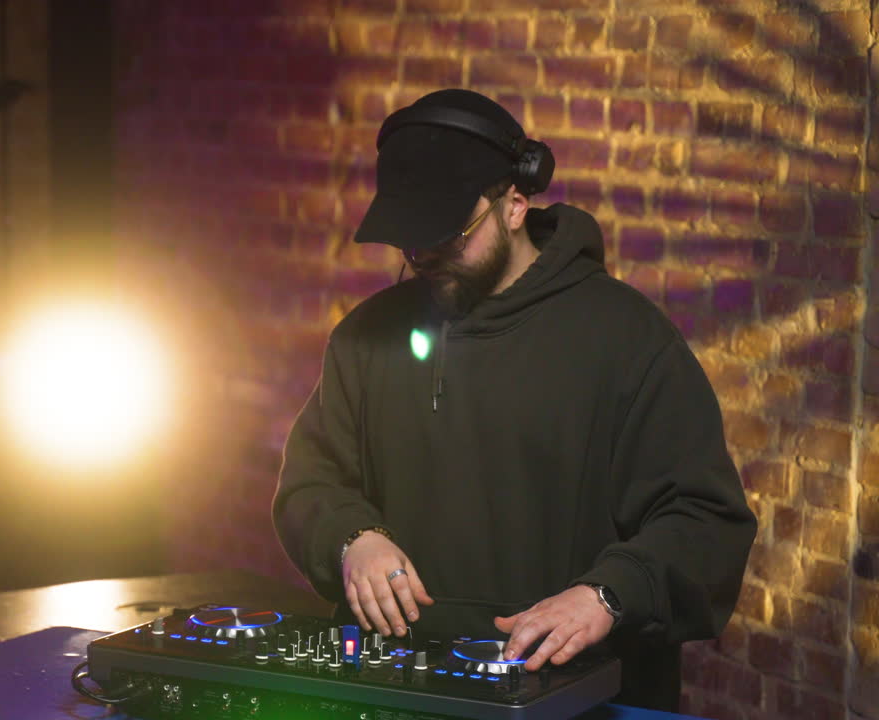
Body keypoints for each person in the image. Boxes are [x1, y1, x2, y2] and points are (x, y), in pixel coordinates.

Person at [272, 89, 757, 712]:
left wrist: (607, 595)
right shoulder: (365, 338)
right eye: (410, 243)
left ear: (515, 205)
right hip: (395, 694)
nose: (424, 259)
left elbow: (705, 519)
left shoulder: (627, 337)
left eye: (449, 237)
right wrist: (351, 538)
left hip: (580, 695)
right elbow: (310, 485)